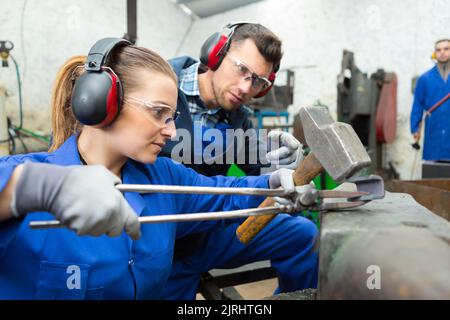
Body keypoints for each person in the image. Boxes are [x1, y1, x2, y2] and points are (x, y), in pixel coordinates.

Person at [0, 38, 302, 299]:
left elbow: (223, 193)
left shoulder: (165, 177)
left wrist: (273, 181)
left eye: (172, 117)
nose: (171, 131)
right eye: (159, 113)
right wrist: (40, 188)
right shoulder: (22, 177)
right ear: (102, 102)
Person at [159, 23, 319, 299]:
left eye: (258, 81)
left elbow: (261, 167)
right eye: (242, 69)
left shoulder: (238, 117)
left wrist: (285, 164)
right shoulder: (161, 85)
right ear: (216, 54)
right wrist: (210, 143)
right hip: (163, 235)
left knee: (303, 234)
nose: (246, 87)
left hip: (209, 230)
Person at [411, 39, 450, 161]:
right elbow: (417, 105)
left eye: (446, 49)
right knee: (433, 173)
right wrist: (415, 128)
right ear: (434, 53)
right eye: (438, 50)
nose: (442, 52)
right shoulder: (425, 78)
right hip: (434, 130)